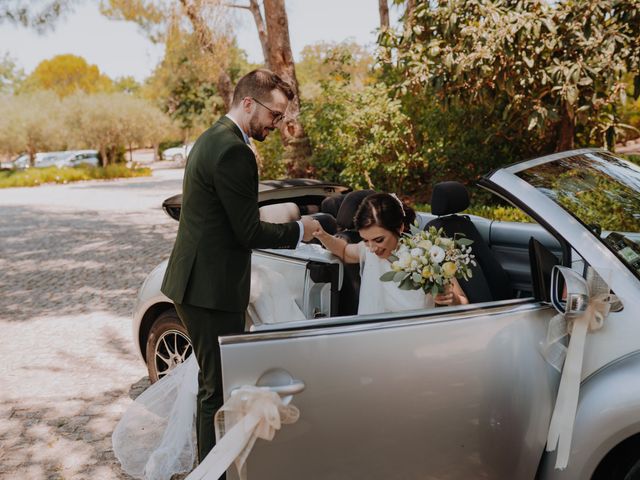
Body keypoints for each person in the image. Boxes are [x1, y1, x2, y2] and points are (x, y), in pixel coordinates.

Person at [159, 69, 320, 466]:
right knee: (217, 388)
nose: (277, 123)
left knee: (212, 382)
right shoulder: (234, 150)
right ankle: (213, 472)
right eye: (274, 114)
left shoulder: (212, 136)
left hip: (196, 281)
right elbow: (247, 230)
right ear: (248, 102)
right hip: (210, 290)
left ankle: (212, 468)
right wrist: (300, 229)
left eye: (282, 117)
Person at [313, 193, 468, 313]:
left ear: (400, 228)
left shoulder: (427, 254)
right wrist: (322, 235)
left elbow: (463, 301)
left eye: (379, 240)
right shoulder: (368, 251)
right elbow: (344, 250)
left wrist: (452, 299)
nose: (372, 248)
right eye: (366, 240)